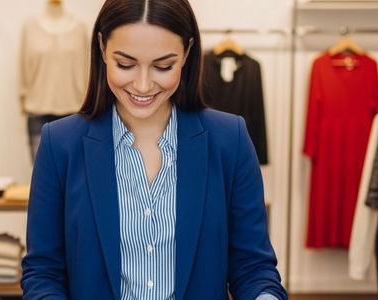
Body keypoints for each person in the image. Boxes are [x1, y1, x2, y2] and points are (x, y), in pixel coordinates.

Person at [20, 0, 287, 299]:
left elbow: (253, 266)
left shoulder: (230, 140)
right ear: (102, 47)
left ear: (187, 52)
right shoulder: (60, 144)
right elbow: (44, 271)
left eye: (163, 66)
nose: (143, 85)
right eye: (125, 64)